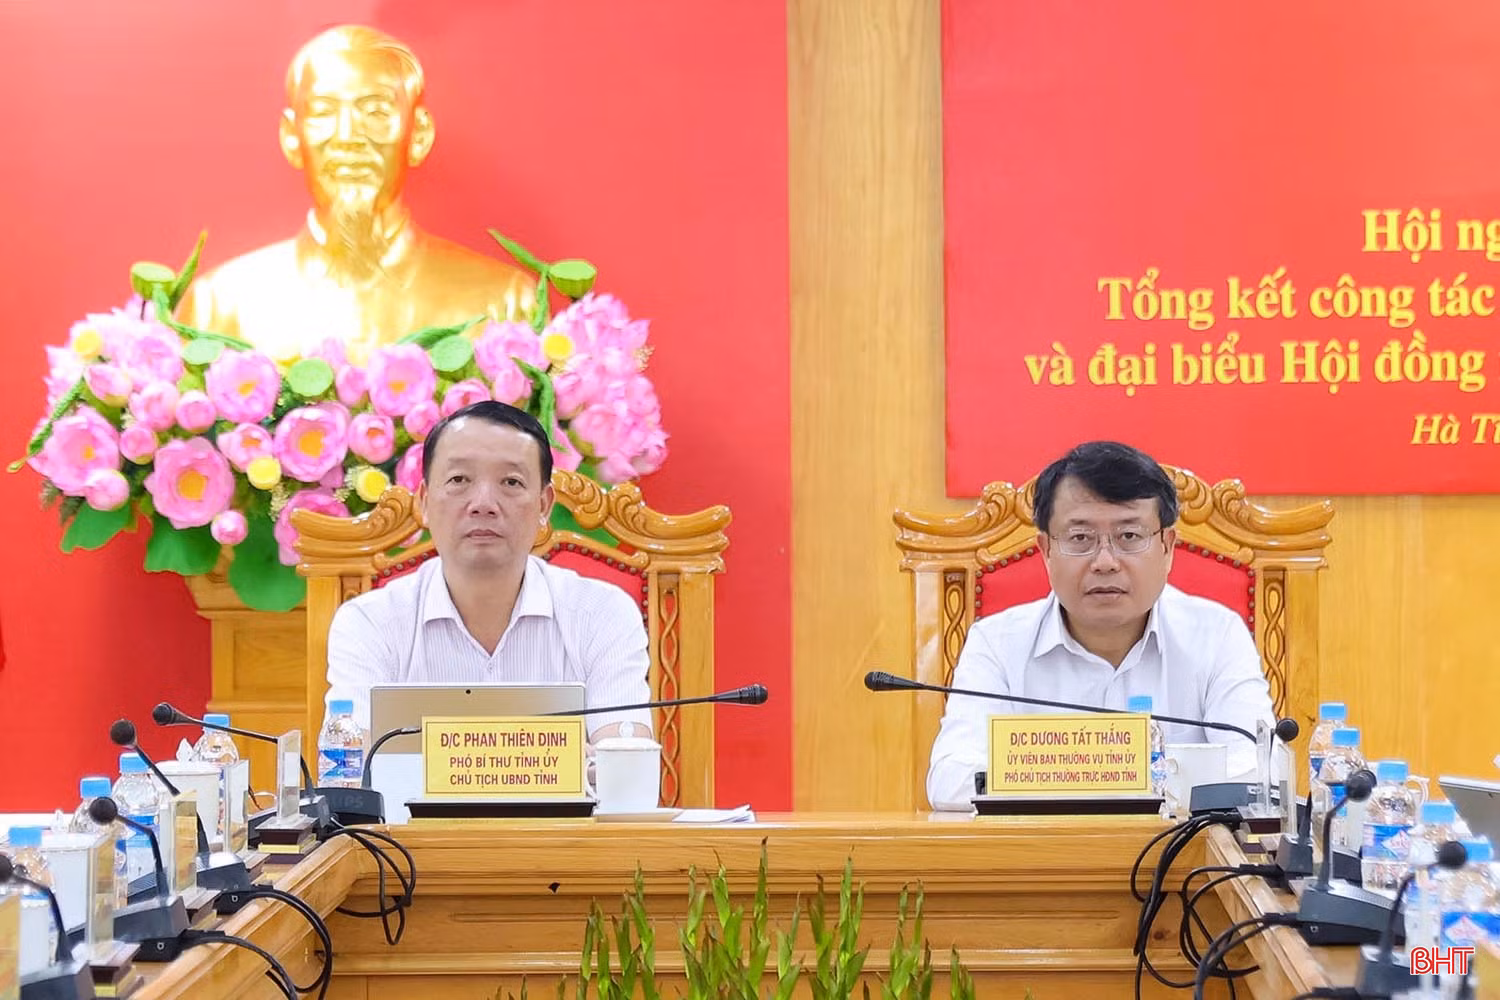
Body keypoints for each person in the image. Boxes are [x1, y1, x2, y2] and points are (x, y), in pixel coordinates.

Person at [925, 441, 1273, 811]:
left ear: (1167, 546)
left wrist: (1070, 775)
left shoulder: (1216, 635)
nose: (1105, 561)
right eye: (1080, 538)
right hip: (1044, 849)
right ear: (1045, 550)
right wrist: (1118, 774)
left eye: (1129, 537)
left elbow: (1258, 772)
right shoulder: (996, 643)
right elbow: (951, 780)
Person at [179, 25, 534, 363]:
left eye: (375, 111)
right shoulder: (218, 308)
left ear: (419, 134)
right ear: (291, 137)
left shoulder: (504, 303)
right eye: (323, 112)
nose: (348, 136)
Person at [324, 401, 650, 742]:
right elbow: (349, 761)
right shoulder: (371, 622)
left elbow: (626, 759)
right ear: (424, 502)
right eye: (459, 479)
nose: (483, 504)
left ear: (543, 505)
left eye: (511, 482)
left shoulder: (602, 614)